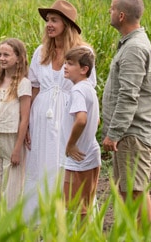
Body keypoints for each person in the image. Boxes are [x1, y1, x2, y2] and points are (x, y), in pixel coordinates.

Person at [23, 0, 96, 222]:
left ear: (66, 24)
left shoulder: (82, 53)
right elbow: (33, 88)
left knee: (64, 164)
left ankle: (66, 220)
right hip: (41, 115)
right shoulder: (40, 52)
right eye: (47, 20)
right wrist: (25, 123)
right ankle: (40, 220)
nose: (49, 24)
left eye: (54, 20)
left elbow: (87, 91)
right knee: (40, 164)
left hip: (68, 114)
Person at [102, 0, 151, 223]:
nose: (110, 11)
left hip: (132, 134)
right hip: (129, 134)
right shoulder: (131, 44)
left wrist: (113, 134)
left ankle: (144, 237)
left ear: (122, 15)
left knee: (135, 191)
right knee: (128, 191)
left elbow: (128, 96)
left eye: (112, 8)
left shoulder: (134, 48)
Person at [0, 38, 32, 223]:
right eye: (0, 54)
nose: (2, 58)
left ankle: (10, 228)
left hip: (11, 139)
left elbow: (25, 118)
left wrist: (18, 149)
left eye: (6, 55)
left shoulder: (23, 84)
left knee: (12, 188)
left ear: (18, 58)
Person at [61, 46, 101, 218]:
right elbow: (96, 120)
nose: (65, 67)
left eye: (70, 64)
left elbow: (81, 119)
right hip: (91, 153)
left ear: (84, 69)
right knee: (86, 205)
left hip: (78, 159)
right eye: (65, 63)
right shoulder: (89, 89)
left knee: (75, 208)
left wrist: (70, 145)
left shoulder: (77, 90)